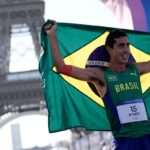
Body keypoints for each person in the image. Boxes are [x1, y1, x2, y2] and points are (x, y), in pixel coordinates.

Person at [44, 21, 150, 150]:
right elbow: (62, 68)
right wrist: (52, 36)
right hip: (125, 141)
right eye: (121, 46)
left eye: (128, 45)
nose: (126, 50)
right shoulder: (100, 76)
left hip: (147, 136)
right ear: (109, 49)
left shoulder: (134, 69)